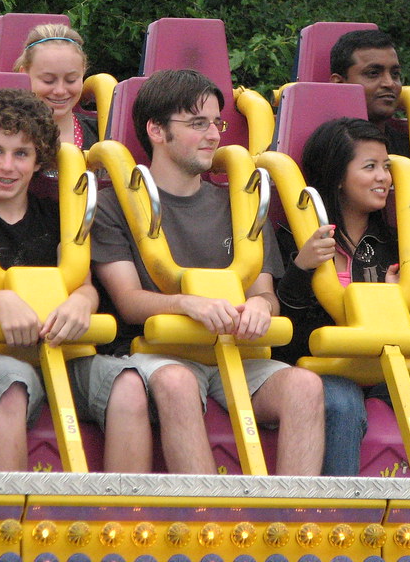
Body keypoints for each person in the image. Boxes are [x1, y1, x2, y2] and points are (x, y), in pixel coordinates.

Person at [90, 68, 324, 475]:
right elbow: (128, 302)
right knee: (177, 382)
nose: (214, 135)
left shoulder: (242, 205)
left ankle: (295, 512)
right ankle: (204, 511)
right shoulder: (115, 206)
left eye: (217, 123)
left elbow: (265, 294)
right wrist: (188, 304)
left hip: (235, 353)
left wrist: (260, 308)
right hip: (159, 353)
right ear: (157, 130)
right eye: (198, 123)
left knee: (306, 385)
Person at [0, 88, 150, 471]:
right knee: (12, 380)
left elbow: (83, 286)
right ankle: (8, 508)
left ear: (39, 159)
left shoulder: (58, 215)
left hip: (60, 351)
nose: (7, 166)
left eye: (21, 154)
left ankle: (120, 505)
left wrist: (81, 303)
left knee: (127, 382)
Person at [275, 118, 410, 477]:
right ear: (338, 176)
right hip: (325, 369)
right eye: (369, 167)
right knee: (341, 405)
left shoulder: (399, 243)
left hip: (391, 368)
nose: (384, 177)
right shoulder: (294, 238)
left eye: (386, 167)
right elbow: (286, 337)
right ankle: (341, 512)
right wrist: (301, 269)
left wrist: (395, 303)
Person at [13, 23, 98, 149]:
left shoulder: (101, 133)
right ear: (24, 75)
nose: (60, 91)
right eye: (48, 80)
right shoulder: (7, 134)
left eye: (71, 80)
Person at [329, 30, 410, 157]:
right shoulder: (327, 149)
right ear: (339, 83)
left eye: (395, 74)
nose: (390, 83)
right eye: (373, 73)